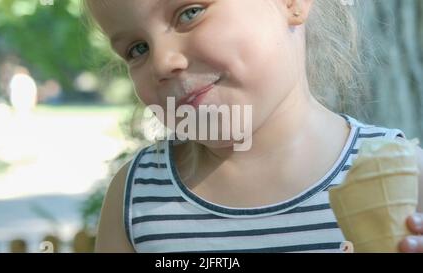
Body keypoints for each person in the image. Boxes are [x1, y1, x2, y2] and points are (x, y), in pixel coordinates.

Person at [85, 0, 423, 252]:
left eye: (189, 12)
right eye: (137, 49)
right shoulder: (137, 198)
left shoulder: (408, 176)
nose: (162, 61)